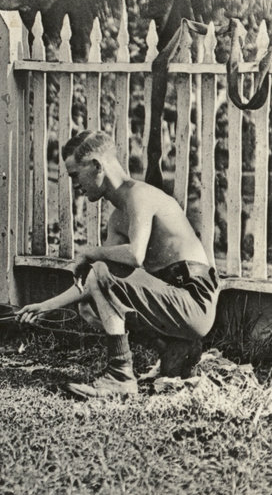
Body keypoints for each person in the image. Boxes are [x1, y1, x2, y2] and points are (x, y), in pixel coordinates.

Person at [17, 129, 219, 398]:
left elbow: (134, 255)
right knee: (88, 307)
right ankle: (174, 347)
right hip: (172, 299)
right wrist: (46, 306)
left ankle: (120, 376)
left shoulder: (139, 196)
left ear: (97, 166)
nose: (74, 185)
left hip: (193, 299)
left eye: (75, 175)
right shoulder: (117, 217)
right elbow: (98, 283)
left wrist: (91, 253)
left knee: (100, 270)